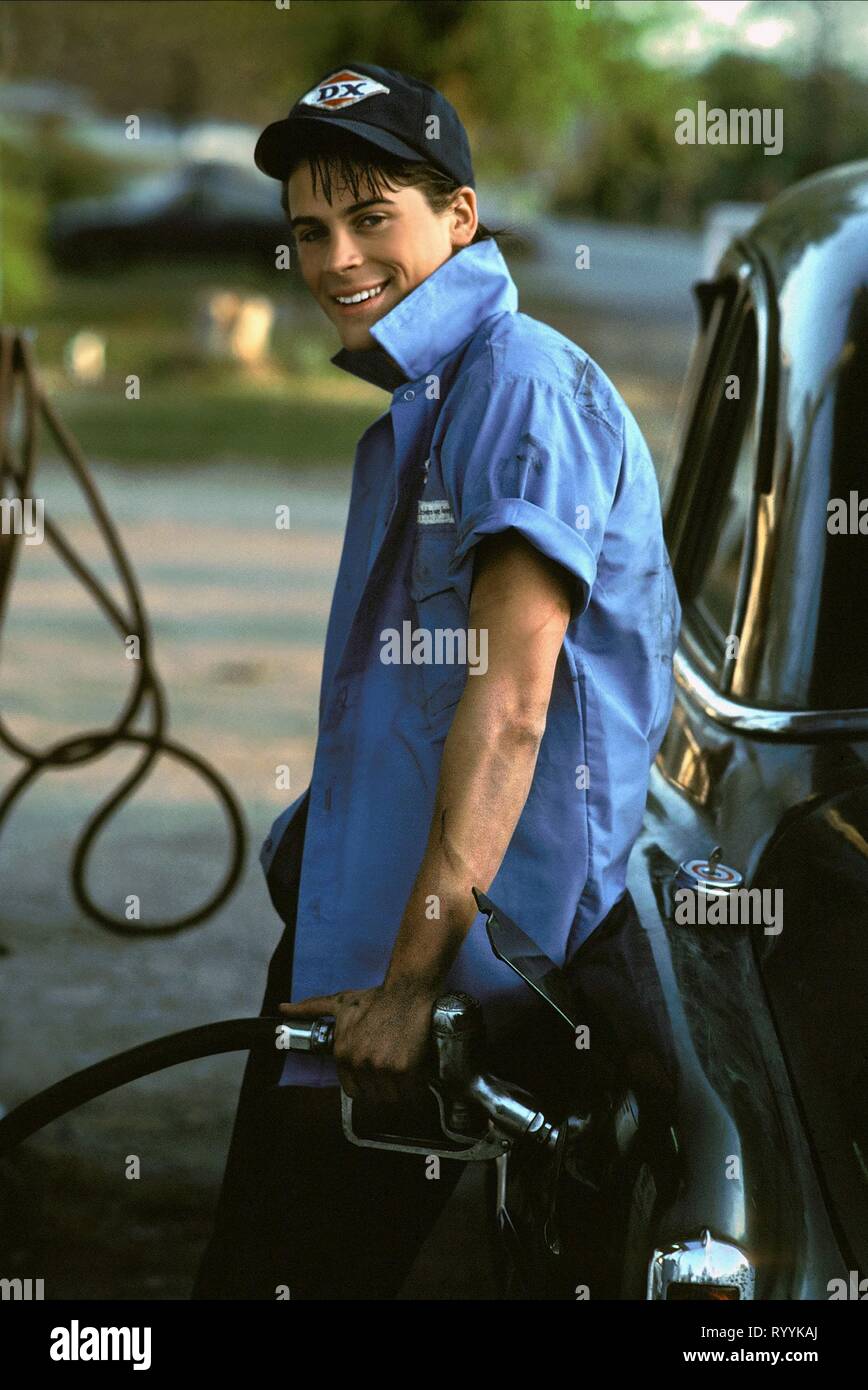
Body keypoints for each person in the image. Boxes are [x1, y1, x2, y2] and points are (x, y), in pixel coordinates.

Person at [192, 62, 681, 1301]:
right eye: (309, 230)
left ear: (460, 216)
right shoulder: (438, 395)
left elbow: (513, 706)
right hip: (372, 949)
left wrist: (410, 986)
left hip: (447, 976)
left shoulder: (515, 385)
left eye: (371, 218)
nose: (334, 258)